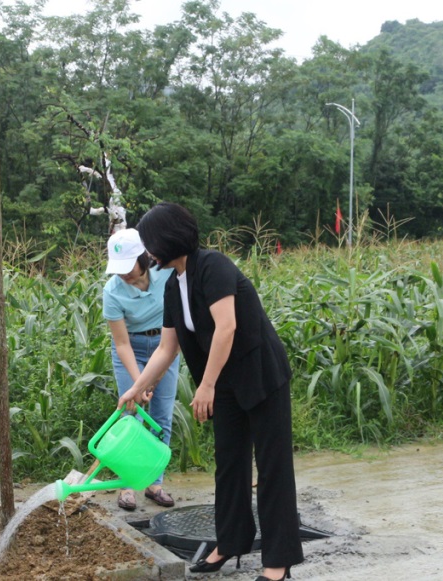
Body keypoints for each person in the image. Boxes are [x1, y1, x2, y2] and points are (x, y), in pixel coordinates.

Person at [119, 202, 303, 581]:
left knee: (272, 468)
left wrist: (205, 385)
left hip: (260, 372)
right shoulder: (172, 285)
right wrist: (138, 387)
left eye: (150, 242)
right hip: (225, 383)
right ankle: (230, 543)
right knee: (230, 464)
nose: (148, 252)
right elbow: (166, 349)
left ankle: (277, 564)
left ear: (168, 239)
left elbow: (227, 328)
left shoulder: (213, 266)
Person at [102, 228, 181, 511]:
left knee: (161, 415)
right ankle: (127, 485)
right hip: (131, 349)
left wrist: (155, 378)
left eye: (129, 267)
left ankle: (154, 483)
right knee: (131, 414)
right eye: (118, 268)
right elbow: (121, 343)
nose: (124, 274)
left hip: (167, 344)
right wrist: (140, 384)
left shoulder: (167, 274)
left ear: (144, 258)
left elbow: (182, 325)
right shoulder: (112, 291)